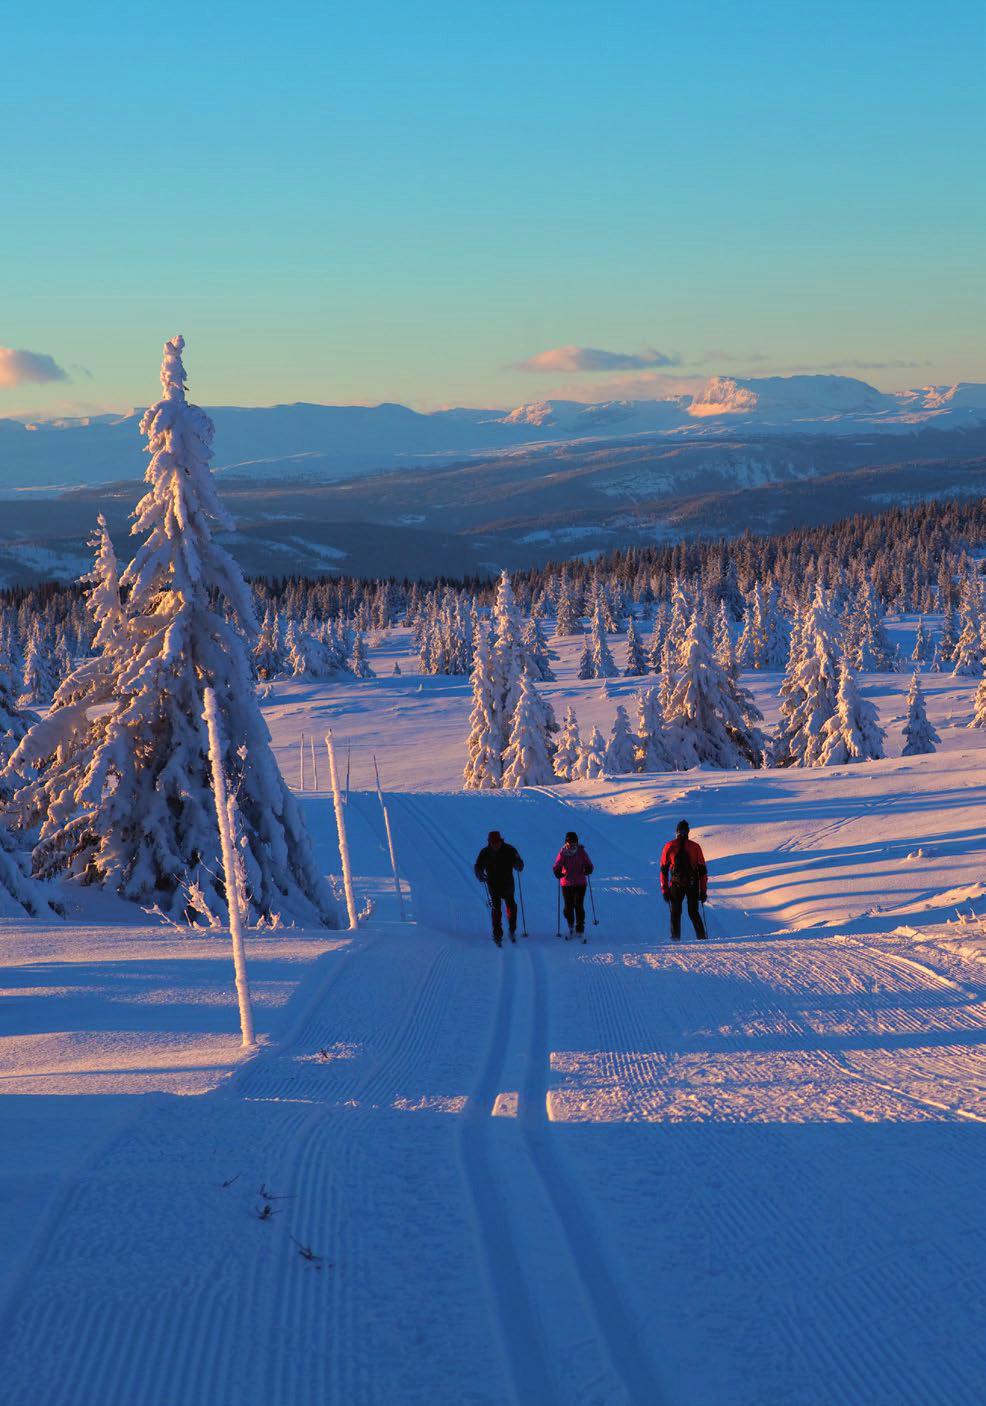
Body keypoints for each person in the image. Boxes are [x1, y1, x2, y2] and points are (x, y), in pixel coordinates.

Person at [660, 819, 708, 941]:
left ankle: (675, 938)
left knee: (675, 912)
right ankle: (702, 938)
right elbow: (702, 871)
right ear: (688, 832)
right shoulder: (695, 847)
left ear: (676, 832)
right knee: (693, 912)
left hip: (676, 884)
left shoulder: (669, 846)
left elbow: (663, 870)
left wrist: (664, 890)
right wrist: (703, 891)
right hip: (692, 884)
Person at [474, 830, 524, 945]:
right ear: (489, 842)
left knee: (510, 905)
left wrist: (519, 865)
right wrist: (479, 874)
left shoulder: (510, 850)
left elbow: (519, 861)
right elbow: (478, 866)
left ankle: (512, 929)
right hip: (492, 883)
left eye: (497, 842)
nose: (495, 844)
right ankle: (497, 933)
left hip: (508, 883)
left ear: (500, 840)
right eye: (492, 842)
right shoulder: (485, 852)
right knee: (496, 907)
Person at [552, 831, 594, 939]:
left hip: (580, 883)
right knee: (568, 907)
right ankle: (571, 924)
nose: (572, 845)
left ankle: (580, 927)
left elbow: (589, 864)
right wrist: (557, 871)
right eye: (570, 843)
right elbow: (557, 865)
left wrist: (588, 868)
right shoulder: (563, 852)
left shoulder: (581, 852)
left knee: (578, 904)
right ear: (566, 843)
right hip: (566, 883)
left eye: (574, 843)